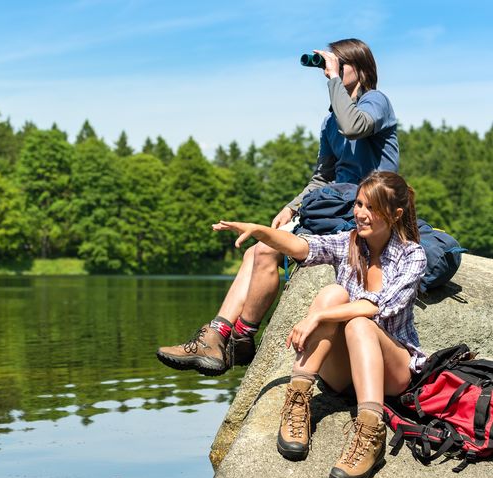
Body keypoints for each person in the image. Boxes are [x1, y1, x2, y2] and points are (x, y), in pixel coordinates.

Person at [156, 38, 399, 376]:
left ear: (360, 69)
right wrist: (293, 208)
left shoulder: (376, 102)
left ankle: (240, 336)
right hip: (335, 210)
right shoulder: (330, 122)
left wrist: (332, 81)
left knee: (267, 251)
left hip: (368, 212)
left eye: (338, 65)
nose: (330, 72)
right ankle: (218, 334)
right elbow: (322, 177)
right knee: (255, 251)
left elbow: (353, 127)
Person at [213, 171, 426, 478]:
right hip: (343, 375)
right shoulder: (349, 242)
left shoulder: (412, 256)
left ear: (396, 214)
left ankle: (370, 431)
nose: (360, 213)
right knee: (333, 294)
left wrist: (318, 317)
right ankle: (298, 400)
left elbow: (376, 307)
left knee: (357, 321)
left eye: (372, 207)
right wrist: (261, 231)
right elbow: (301, 246)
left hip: (390, 374)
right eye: (358, 204)